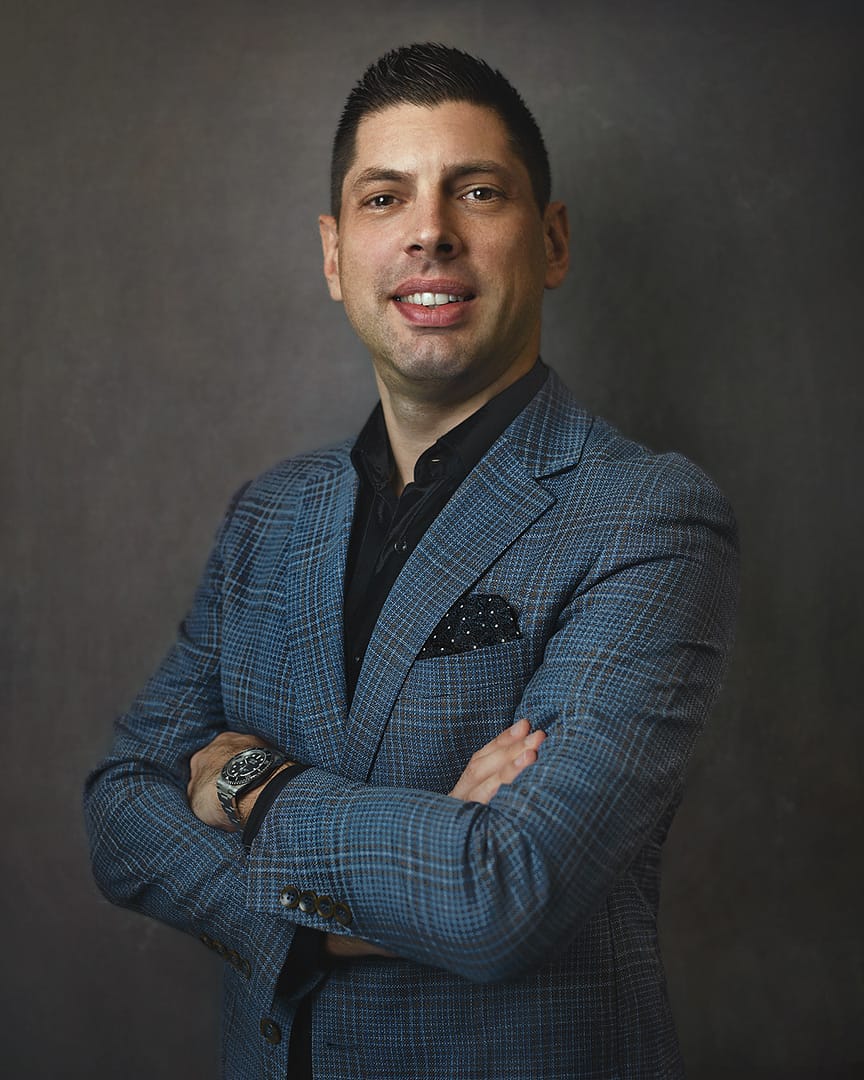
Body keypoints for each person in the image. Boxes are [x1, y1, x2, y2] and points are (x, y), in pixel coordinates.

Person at [85, 42, 738, 1079]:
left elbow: (499, 895)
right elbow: (123, 809)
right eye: (386, 198)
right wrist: (338, 916)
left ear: (553, 240)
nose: (431, 231)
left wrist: (246, 778)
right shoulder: (268, 517)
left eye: (476, 191)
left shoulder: (646, 517)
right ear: (337, 254)